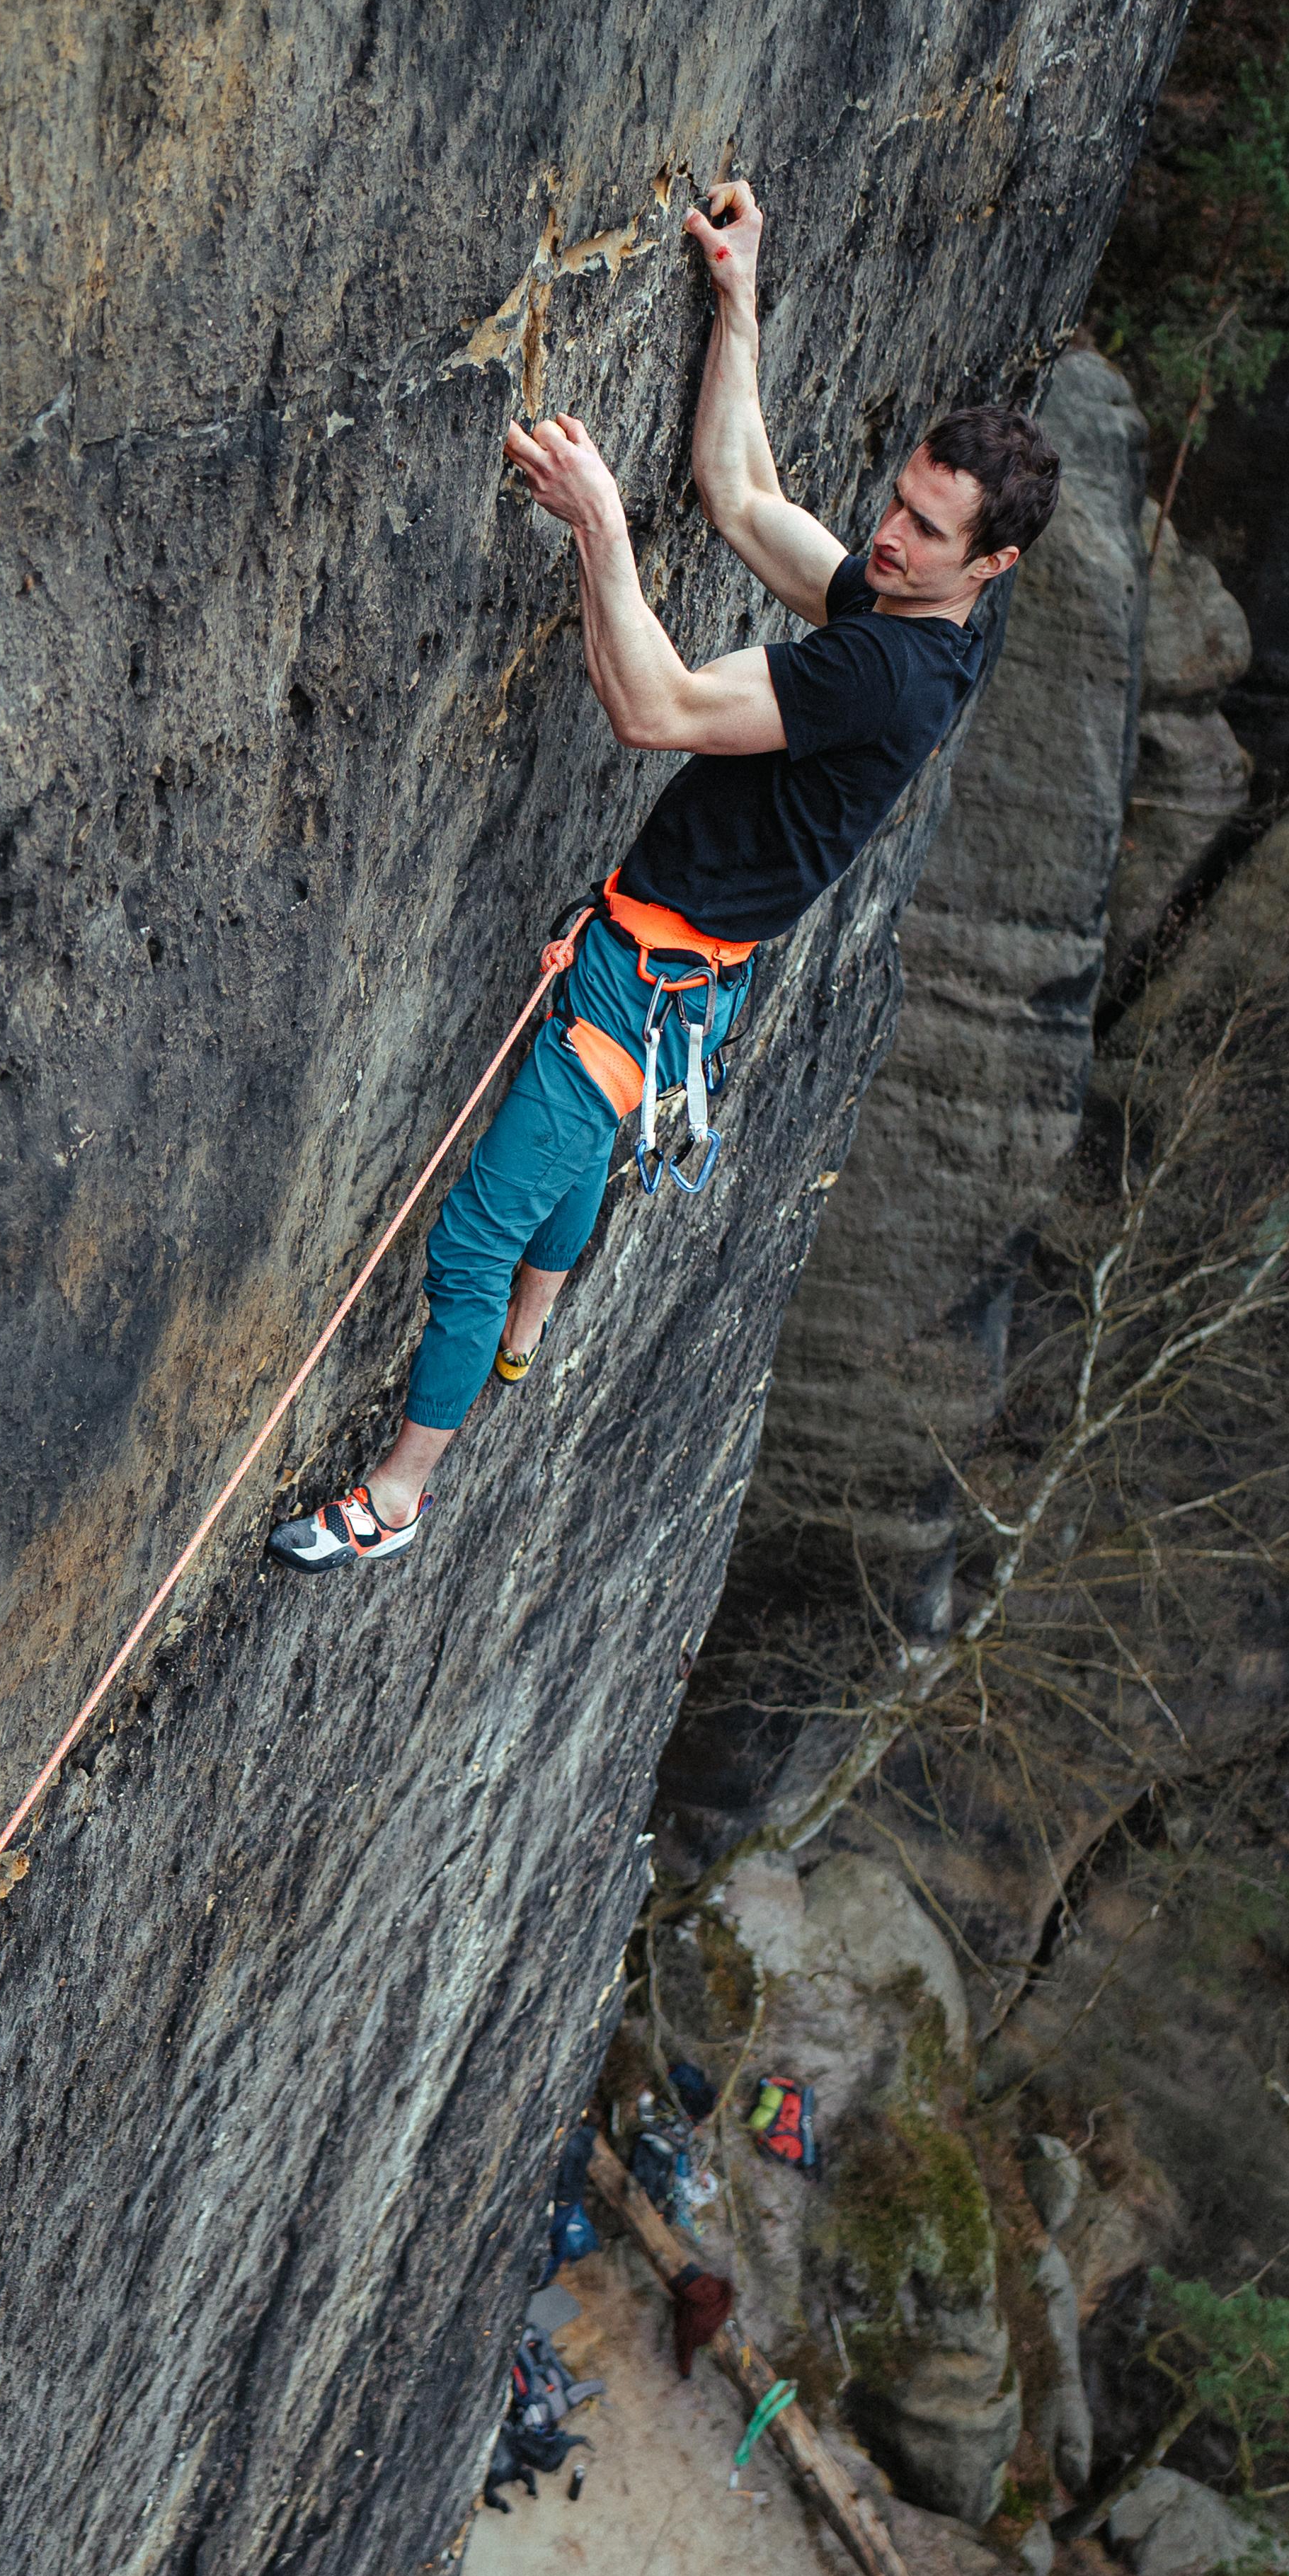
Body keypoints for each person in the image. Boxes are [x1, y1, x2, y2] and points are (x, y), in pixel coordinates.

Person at [269, 176, 1059, 1576]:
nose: (889, 536)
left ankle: (398, 1494)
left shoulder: (884, 667)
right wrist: (738, 292)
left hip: (647, 986)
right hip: (683, 965)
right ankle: (524, 1339)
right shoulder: (938, 624)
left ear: (989, 562)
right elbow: (745, 494)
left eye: (927, 533)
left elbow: (658, 708)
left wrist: (596, 524)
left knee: (468, 1237)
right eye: (898, 503)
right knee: (551, 1192)